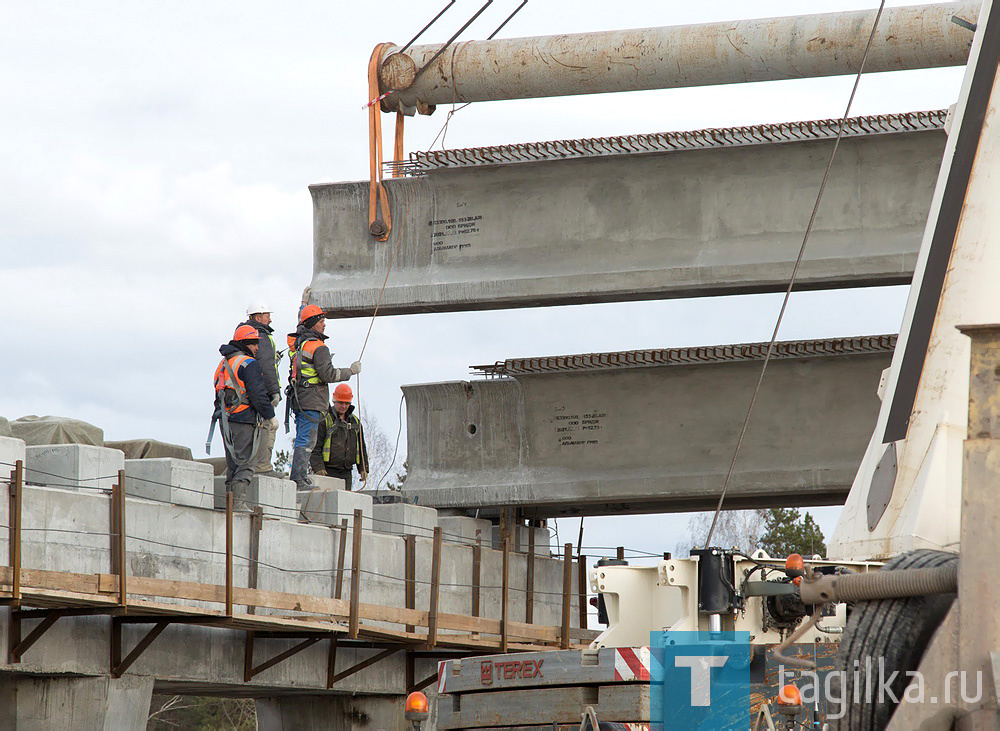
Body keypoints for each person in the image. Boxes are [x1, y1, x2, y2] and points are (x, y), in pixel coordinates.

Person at [286, 304, 361, 489]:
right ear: (312, 324)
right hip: (311, 400)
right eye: (321, 321)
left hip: (300, 398)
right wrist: (350, 371)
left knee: (304, 438)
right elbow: (328, 375)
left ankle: (300, 476)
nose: (324, 324)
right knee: (307, 441)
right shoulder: (318, 347)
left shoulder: (300, 343)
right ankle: (298, 478)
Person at [213, 324, 276, 508]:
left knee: (233, 464)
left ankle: (231, 503)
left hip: (225, 420)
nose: (257, 347)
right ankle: (238, 505)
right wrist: (270, 416)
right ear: (245, 343)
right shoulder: (248, 363)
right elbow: (258, 395)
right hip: (244, 419)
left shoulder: (224, 363)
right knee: (246, 464)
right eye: (254, 343)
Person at [238, 302, 282, 475]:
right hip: (261, 393)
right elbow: (265, 365)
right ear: (258, 317)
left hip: (248, 396)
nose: (270, 319)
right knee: (266, 427)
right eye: (267, 316)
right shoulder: (260, 335)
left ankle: (257, 467)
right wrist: (274, 392)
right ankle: (263, 468)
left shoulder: (247, 334)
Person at [309, 383, 369, 490]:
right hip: (327, 472)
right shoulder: (324, 419)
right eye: (341, 403)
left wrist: (363, 469)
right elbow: (315, 446)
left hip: (346, 473)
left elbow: (361, 448)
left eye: (347, 403)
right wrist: (318, 467)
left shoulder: (355, 422)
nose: (344, 406)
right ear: (334, 401)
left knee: (344, 504)